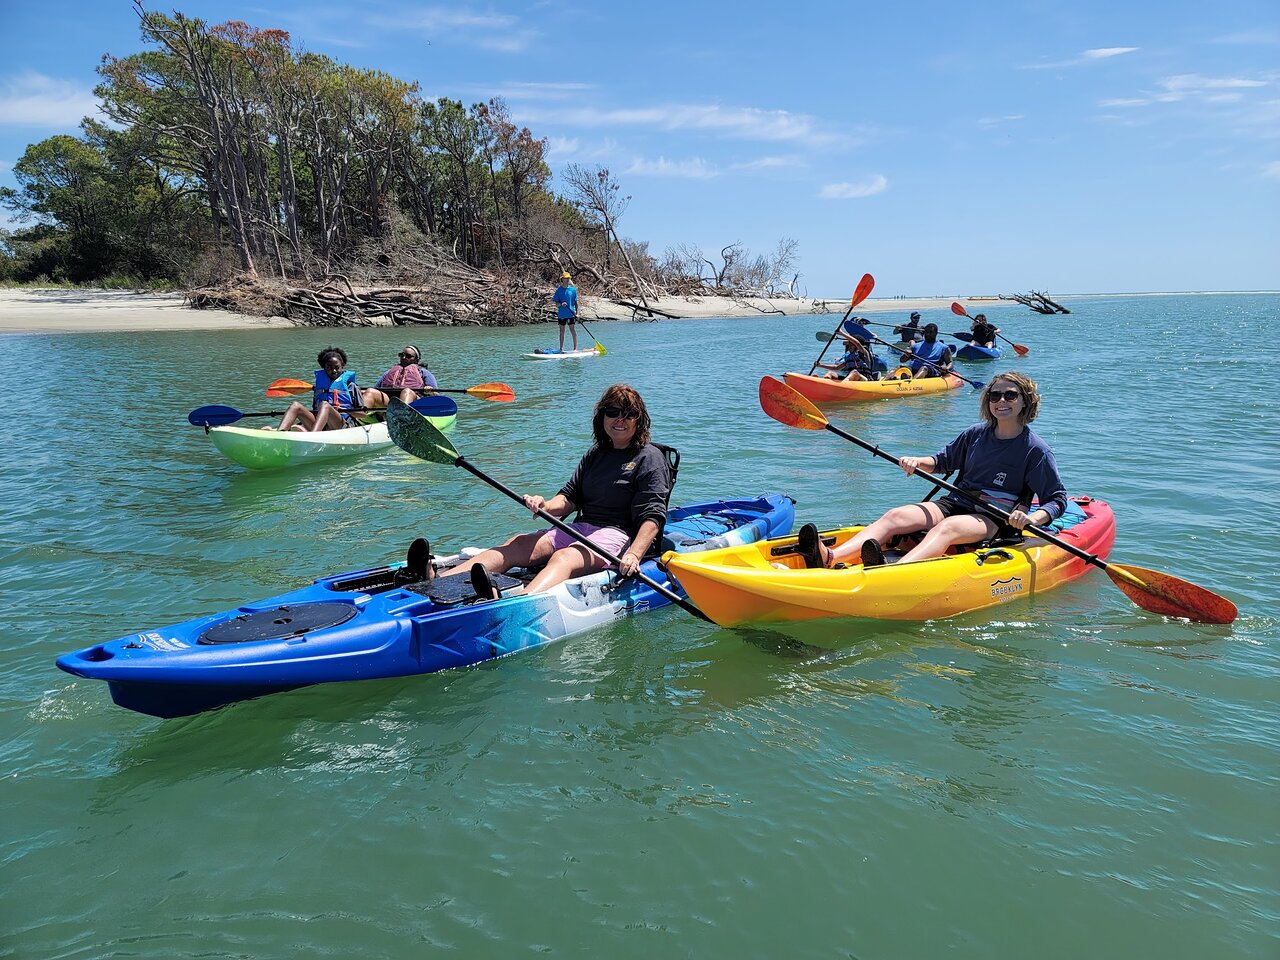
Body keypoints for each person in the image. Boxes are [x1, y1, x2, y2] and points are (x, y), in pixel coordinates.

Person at [795, 371, 1068, 570]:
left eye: (1010, 395)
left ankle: (894, 572)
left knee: (948, 528)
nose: (1001, 401)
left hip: (993, 518)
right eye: (995, 395)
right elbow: (941, 462)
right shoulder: (975, 434)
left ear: (1025, 401)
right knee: (896, 515)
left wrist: (1032, 519)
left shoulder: (1035, 449)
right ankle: (831, 557)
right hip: (956, 501)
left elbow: (1056, 499)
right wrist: (916, 461)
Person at [438, 384, 670, 599]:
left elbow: (653, 516)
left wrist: (634, 555)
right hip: (582, 527)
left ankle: (521, 603)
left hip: (617, 533)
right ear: (602, 417)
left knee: (564, 557)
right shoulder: (596, 454)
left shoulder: (649, 458)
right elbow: (570, 498)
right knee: (518, 543)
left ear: (639, 420)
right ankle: (439, 582)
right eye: (613, 411)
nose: (620, 419)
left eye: (629, 414)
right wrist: (545, 506)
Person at [272, 346, 362, 432]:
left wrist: (342, 409)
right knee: (296, 406)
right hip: (322, 427)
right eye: (329, 367)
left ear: (342, 366)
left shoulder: (351, 386)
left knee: (325, 405)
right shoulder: (319, 389)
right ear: (324, 368)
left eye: (337, 367)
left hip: (342, 426)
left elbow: (363, 415)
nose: (334, 370)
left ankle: (313, 436)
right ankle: (280, 433)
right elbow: (315, 410)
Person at [362, 345, 438, 408]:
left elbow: (436, 394)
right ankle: (358, 418)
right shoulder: (389, 372)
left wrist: (430, 391)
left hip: (414, 402)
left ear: (416, 360)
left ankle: (402, 417)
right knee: (370, 391)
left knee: (406, 392)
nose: (404, 358)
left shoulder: (423, 372)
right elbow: (376, 389)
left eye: (408, 356)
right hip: (390, 401)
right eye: (402, 355)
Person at [553, 271, 579, 352]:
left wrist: (577, 314)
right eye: (566, 278)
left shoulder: (573, 290)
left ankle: (575, 348)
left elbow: (576, 303)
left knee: (572, 330)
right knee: (562, 331)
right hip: (562, 315)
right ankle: (561, 349)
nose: (567, 280)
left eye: (568, 278)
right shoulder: (558, 290)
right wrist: (561, 304)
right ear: (562, 279)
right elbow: (556, 304)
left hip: (571, 314)